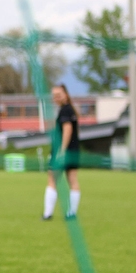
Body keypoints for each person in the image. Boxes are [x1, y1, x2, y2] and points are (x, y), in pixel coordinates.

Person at [43, 84, 80, 220]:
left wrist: (62, 150)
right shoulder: (71, 110)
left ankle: (48, 214)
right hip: (74, 151)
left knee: (52, 179)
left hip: (63, 151)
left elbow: (67, 129)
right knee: (73, 181)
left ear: (66, 95)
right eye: (54, 96)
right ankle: (71, 213)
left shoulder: (65, 111)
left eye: (58, 95)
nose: (56, 98)